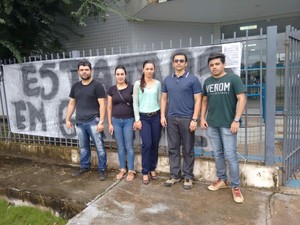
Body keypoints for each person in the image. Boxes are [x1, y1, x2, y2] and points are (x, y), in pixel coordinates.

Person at [200, 52, 246, 203]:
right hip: (212, 124)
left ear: (223, 64)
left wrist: (236, 120)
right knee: (218, 154)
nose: (214, 67)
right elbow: (205, 101)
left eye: (217, 64)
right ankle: (222, 180)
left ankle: (236, 186)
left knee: (231, 156)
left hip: (228, 125)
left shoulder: (233, 78)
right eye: (211, 65)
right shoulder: (207, 81)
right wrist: (202, 117)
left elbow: (242, 98)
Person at [161, 52, 202, 190]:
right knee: (173, 148)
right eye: (176, 61)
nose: (178, 63)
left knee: (188, 149)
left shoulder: (193, 79)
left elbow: (198, 100)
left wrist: (194, 119)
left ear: (186, 63)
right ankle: (174, 175)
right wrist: (162, 116)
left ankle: (188, 177)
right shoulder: (167, 80)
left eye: (181, 61)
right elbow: (164, 99)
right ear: (173, 63)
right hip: (171, 118)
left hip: (187, 119)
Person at [66, 59, 107, 181]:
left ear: (91, 71)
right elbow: (72, 104)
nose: (84, 72)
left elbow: (102, 105)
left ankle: (102, 170)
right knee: (83, 147)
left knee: (99, 147)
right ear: (78, 71)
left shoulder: (97, 86)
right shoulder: (75, 87)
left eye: (86, 70)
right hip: (79, 122)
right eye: (82, 70)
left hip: (93, 121)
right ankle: (84, 166)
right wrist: (67, 119)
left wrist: (101, 122)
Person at [133, 60, 162, 185]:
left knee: (155, 144)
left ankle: (152, 168)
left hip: (156, 116)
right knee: (147, 144)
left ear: (154, 70)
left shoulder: (158, 84)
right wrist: (137, 119)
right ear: (143, 69)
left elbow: (160, 100)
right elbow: (135, 102)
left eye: (151, 69)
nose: (149, 71)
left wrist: (162, 116)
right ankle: (145, 171)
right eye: (147, 69)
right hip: (144, 118)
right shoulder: (138, 84)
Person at [107, 66, 136, 181]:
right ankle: (122, 169)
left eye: (122, 74)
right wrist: (109, 123)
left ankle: (131, 170)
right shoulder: (111, 90)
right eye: (118, 74)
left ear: (125, 75)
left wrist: (136, 120)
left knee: (129, 146)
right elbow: (109, 107)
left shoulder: (132, 88)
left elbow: (136, 105)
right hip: (116, 121)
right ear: (115, 76)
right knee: (120, 147)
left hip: (129, 120)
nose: (120, 76)